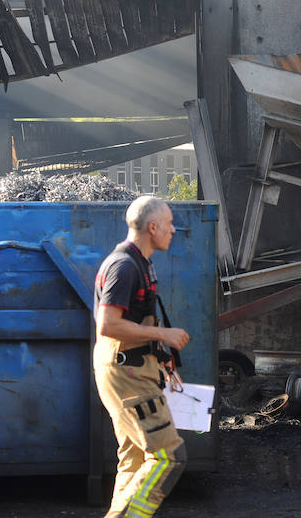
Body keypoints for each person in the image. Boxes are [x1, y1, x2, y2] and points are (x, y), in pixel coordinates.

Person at [93, 196, 190, 518]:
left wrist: (159, 355)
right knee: (167, 457)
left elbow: (134, 321)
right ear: (153, 227)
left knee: (135, 460)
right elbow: (107, 324)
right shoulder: (124, 265)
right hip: (126, 373)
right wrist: (163, 334)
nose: (173, 229)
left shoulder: (140, 262)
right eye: (169, 223)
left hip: (134, 365)